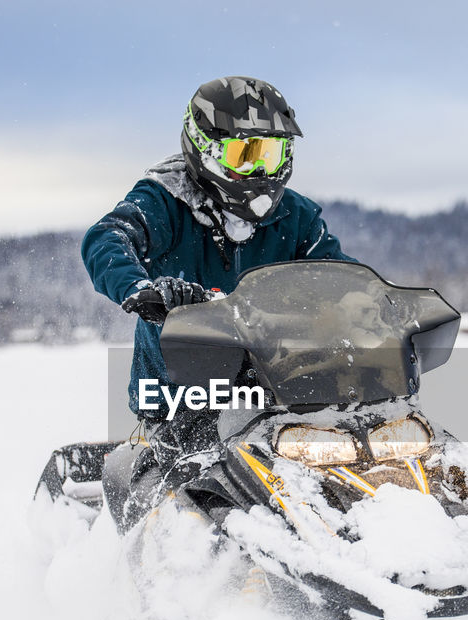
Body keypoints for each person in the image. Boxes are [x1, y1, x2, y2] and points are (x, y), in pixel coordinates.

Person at [82, 76, 355, 470]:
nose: (261, 170)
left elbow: (338, 277)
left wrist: (368, 310)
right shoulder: (165, 201)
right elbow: (107, 238)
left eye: (272, 154)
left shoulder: (295, 217)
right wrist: (140, 288)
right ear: (204, 150)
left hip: (286, 395)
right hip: (181, 400)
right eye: (245, 155)